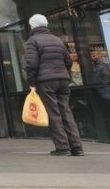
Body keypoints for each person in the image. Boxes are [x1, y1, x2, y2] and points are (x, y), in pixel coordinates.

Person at [24, 14, 83, 156]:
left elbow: (31, 64)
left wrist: (32, 83)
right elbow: (68, 61)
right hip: (63, 80)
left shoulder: (32, 41)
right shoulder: (57, 40)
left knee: (53, 113)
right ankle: (77, 147)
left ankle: (62, 147)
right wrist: (62, 73)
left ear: (32, 26)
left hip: (46, 82)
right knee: (66, 112)